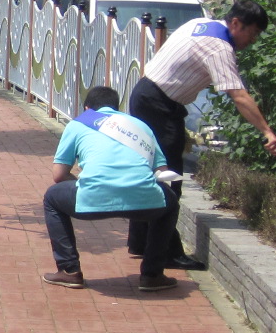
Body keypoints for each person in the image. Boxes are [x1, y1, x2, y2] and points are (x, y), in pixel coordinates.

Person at [127, 0, 276, 269]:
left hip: (147, 94)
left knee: (148, 172)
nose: (253, 40)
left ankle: (142, 242)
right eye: (253, 33)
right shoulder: (219, 47)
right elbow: (239, 95)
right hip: (160, 105)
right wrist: (267, 131)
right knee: (169, 179)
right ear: (236, 24)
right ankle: (163, 253)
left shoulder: (202, 24)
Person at [42, 86, 179, 293]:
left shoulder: (79, 124)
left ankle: (69, 271)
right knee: (170, 202)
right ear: (117, 108)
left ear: (87, 108)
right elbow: (162, 172)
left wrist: (86, 181)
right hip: (144, 202)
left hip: (91, 200)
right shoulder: (140, 126)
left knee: (52, 198)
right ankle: (152, 274)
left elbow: (59, 176)